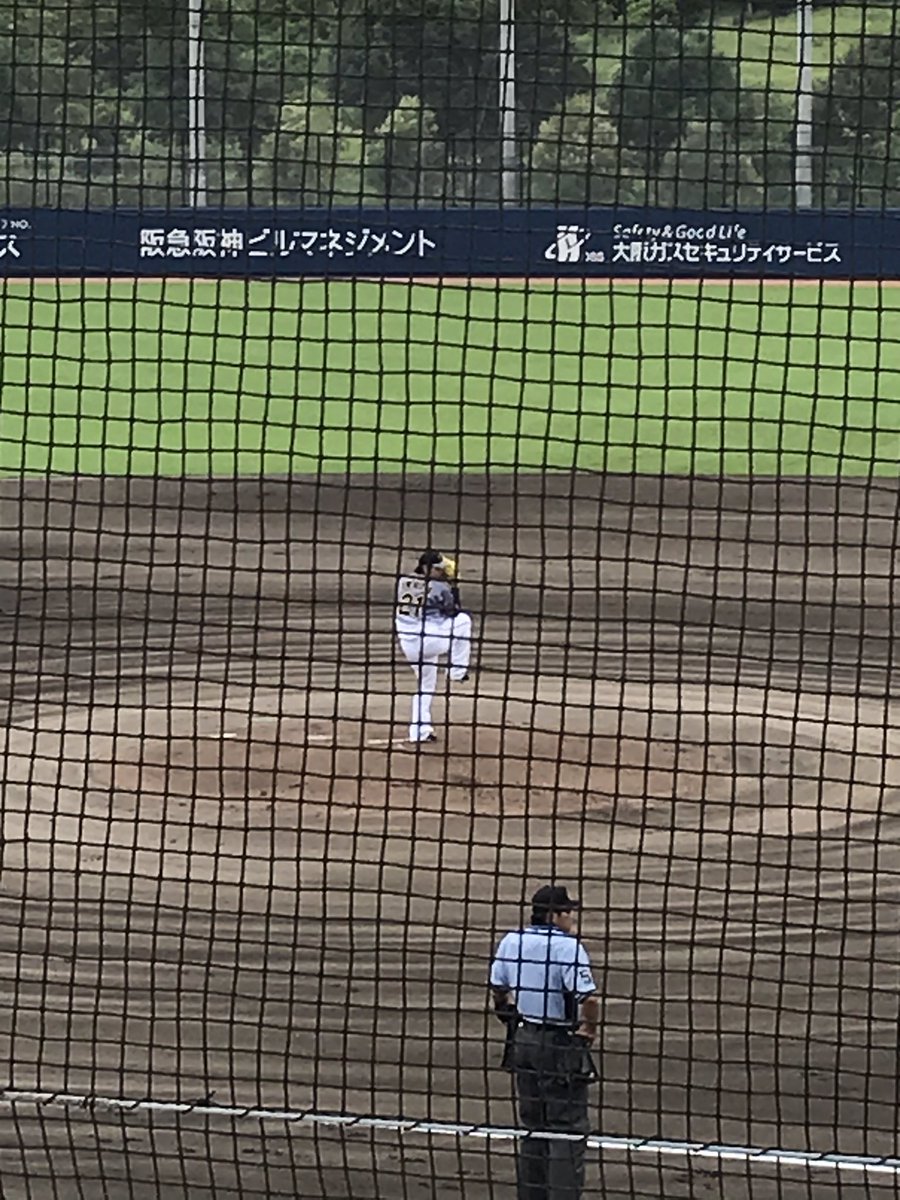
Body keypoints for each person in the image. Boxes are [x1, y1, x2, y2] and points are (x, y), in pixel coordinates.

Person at [490, 885, 600, 1200]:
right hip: (557, 1044)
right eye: (568, 911)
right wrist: (589, 1030)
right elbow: (589, 999)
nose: (572, 917)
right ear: (554, 915)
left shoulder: (512, 941)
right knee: (567, 1129)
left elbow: (498, 987)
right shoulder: (567, 947)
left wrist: (505, 1010)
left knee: (533, 1127)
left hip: (523, 1042)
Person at [394, 550, 472, 744]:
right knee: (464, 621)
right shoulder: (439, 586)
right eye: (438, 569)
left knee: (425, 685)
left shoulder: (403, 581)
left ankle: (420, 731)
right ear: (426, 568)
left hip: (408, 644)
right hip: (428, 641)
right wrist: (454, 587)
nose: (441, 572)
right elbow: (454, 611)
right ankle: (457, 672)